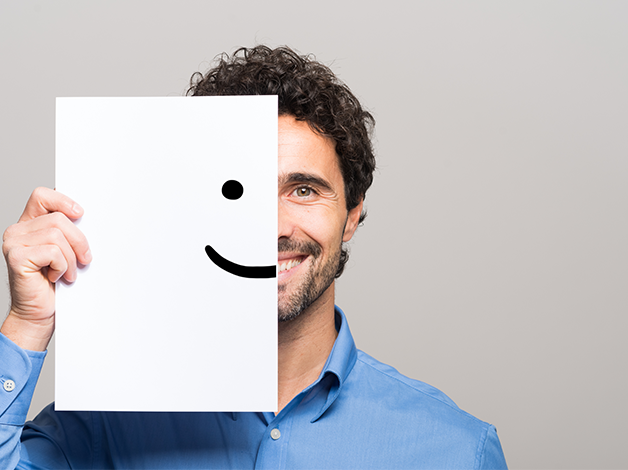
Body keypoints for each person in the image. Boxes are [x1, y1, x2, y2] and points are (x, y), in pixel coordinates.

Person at [0, 45, 508, 469]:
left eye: (304, 190)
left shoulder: (456, 451)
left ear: (352, 215)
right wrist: (25, 323)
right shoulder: (100, 426)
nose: (272, 225)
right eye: (236, 191)